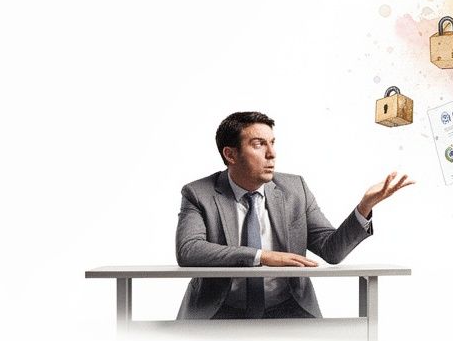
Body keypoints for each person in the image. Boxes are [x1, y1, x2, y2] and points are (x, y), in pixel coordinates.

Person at [175, 111, 413, 319]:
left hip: (288, 307)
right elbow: (189, 250)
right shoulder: (199, 193)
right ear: (230, 154)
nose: (271, 154)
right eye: (258, 144)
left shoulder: (295, 188)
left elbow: (332, 250)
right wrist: (262, 256)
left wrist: (364, 206)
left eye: (273, 142)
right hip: (219, 310)